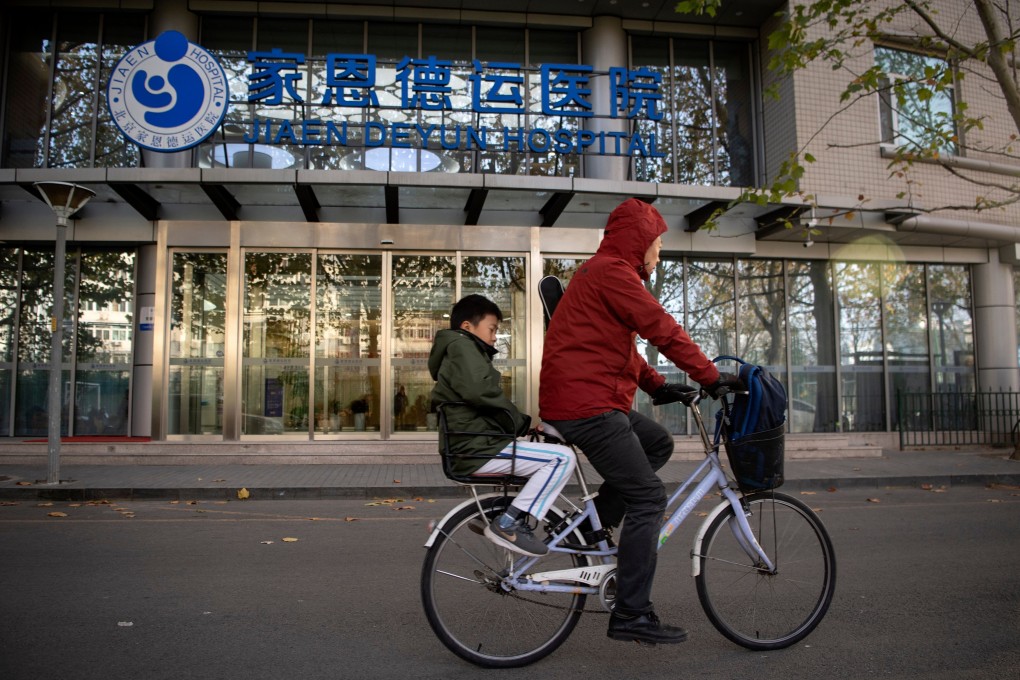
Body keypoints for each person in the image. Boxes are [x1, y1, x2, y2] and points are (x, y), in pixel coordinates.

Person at [539, 198, 743, 645]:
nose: (659, 252)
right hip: (587, 405)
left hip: (586, 398)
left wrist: (657, 387)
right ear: (639, 241)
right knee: (650, 498)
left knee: (657, 444)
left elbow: (620, 348)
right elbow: (660, 327)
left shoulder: (603, 272)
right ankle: (632, 613)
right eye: (657, 242)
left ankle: (592, 525)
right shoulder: (613, 272)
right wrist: (709, 376)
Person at [429, 294, 577, 557]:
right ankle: (508, 523)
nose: (496, 336)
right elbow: (482, 393)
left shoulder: (457, 349)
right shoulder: (462, 347)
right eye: (492, 329)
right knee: (562, 459)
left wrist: (523, 429)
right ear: (467, 327)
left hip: (475, 446)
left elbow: (481, 398)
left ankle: (497, 511)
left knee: (539, 449)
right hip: (476, 450)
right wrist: (521, 423)